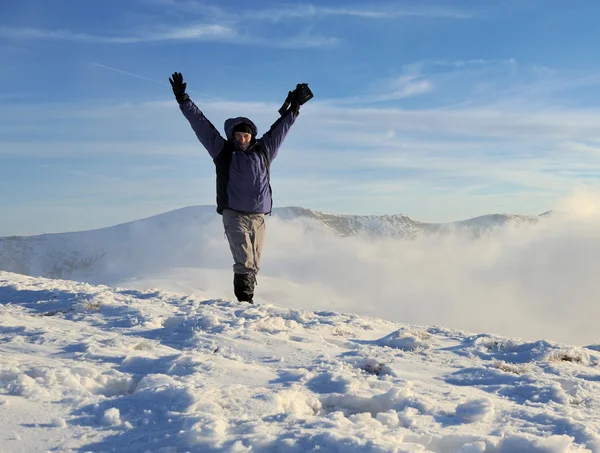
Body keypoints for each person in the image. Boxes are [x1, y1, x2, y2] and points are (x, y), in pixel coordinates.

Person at [169, 72, 304, 304]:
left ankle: (246, 301)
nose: (243, 139)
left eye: (247, 135)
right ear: (232, 136)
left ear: (252, 136)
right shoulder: (223, 152)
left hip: (259, 215)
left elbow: (280, 130)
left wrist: (294, 109)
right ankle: (244, 302)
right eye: (239, 135)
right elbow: (201, 125)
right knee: (244, 260)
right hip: (234, 213)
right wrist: (184, 100)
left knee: (254, 262)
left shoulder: (264, 151)